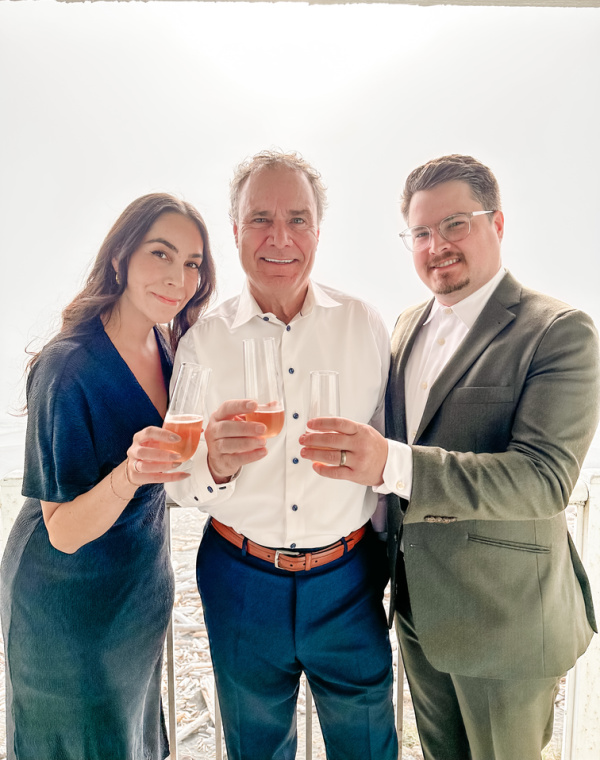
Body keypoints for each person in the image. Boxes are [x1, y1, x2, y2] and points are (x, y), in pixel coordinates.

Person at [300, 154, 600, 760]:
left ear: (498, 224)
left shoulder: (560, 331)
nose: (437, 245)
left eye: (455, 224)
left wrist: (392, 461)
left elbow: (542, 480)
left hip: (505, 622)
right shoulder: (406, 325)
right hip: (418, 616)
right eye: (421, 233)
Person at [166, 150, 397, 760]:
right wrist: (211, 463)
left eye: (297, 219)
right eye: (260, 219)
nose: (279, 237)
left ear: (318, 232)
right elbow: (176, 483)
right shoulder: (202, 342)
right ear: (235, 230)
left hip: (347, 579)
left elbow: (392, 452)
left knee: (369, 745)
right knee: (255, 749)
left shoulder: (364, 325)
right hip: (239, 579)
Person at [0, 193, 216, 760]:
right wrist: (129, 473)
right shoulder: (68, 365)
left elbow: (172, 470)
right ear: (121, 256)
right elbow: (64, 532)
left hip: (135, 594)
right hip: (67, 608)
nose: (179, 277)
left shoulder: (168, 350)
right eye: (161, 254)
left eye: (193, 263)